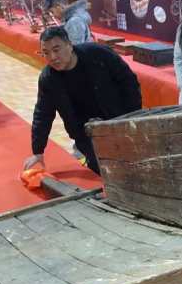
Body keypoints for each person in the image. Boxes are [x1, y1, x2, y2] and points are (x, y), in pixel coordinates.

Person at [24, 27, 141, 175]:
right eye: (46, 53)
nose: (52, 57)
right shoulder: (48, 79)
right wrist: (38, 151)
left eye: (56, 49)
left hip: (117, 121)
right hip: (85, 134)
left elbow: (129, 83)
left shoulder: (98, 54)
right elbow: (43, 114)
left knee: (132, 167)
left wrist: (131, 118)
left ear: (69, 45)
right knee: (102, 171)